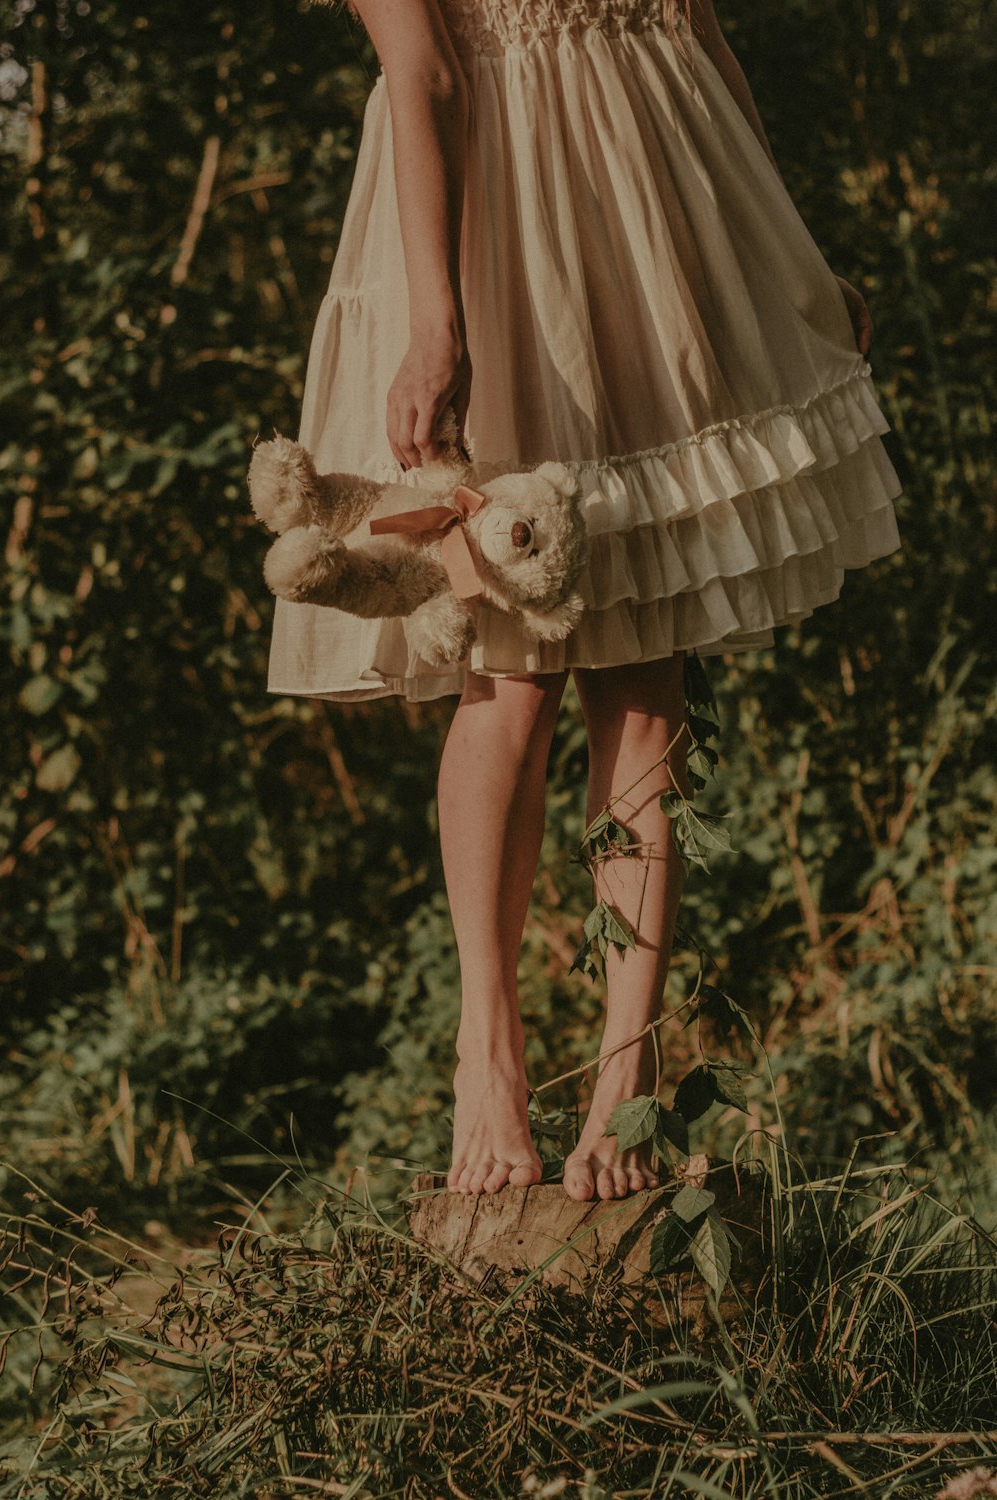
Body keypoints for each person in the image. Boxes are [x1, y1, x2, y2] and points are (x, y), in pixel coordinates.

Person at [266, 0, 903, 1201]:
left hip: (664, 233)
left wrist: (792, 272)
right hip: (496, 238)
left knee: (643, 673)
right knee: (508, 674)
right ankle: (487, 1056)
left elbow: (703, 40)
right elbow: (429, 76)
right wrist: (436, 320)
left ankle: (628, 1073)